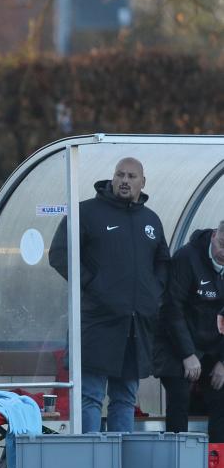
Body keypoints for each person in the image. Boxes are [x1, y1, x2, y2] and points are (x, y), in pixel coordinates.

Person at [49, 157, 169, 433]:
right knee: (90, 397)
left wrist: (153, 291)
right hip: (96, 324)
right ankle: (92, 464)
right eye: (120, 175)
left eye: (132, 176)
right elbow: (59, 254)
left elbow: (163, 261)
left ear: (143, 182)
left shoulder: (150, 220)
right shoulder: (86, 213)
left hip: (134, 328)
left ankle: (118, 466)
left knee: (125, 399)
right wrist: (94, 284)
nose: (125, 181)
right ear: (112, 178)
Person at [156, 222, 224, 443]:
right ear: (214, 236)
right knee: (179, 396)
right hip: (177, 345)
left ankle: (217, 466)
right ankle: (178, 463)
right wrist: (187, 354)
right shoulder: (187, 257)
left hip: (213, 347)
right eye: (222, 244)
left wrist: (222, 361)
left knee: (221, 397)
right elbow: (171, 308)